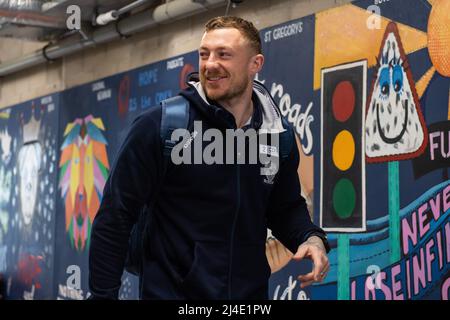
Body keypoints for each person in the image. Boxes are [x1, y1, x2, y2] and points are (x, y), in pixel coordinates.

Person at [88, 16, 330, 300]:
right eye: (204, 54)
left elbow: (285, 208)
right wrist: (103, 295)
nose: (210, 64)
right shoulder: (161, 126)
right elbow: (115, 216)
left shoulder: (276, 134)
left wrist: (310, 238)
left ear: (256, 64)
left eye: (224, 54)